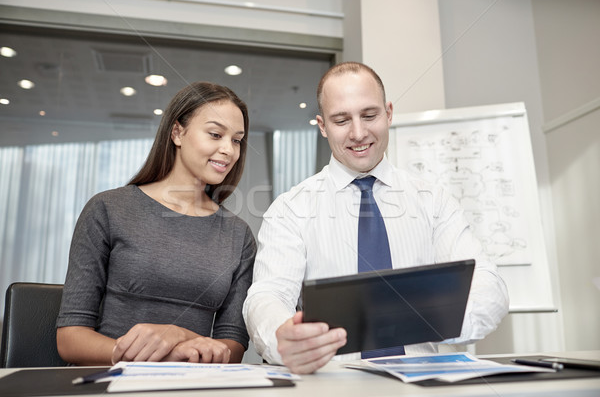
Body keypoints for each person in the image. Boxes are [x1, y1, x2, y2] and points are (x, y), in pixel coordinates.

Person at [243, 62, 509, 374]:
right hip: (331, 389)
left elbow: (489, 286)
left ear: (389, 113)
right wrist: (282, 337)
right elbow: (267, 295)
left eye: (369, 115)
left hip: (422, 386)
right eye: (341, 120)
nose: (358, 133)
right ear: (322, 126)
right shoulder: (291, 209)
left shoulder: (433, 201)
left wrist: (429, 317)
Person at [56, 81, 256, 366]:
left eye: (236, 140)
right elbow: (70, 338)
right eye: (215, 134)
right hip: (113, 381)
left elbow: (232, 346)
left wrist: (179, 335)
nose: (229, 150)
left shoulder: (239, 235)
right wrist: (147, 357)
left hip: (193, 385)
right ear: (177, 132)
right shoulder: (108, 209)